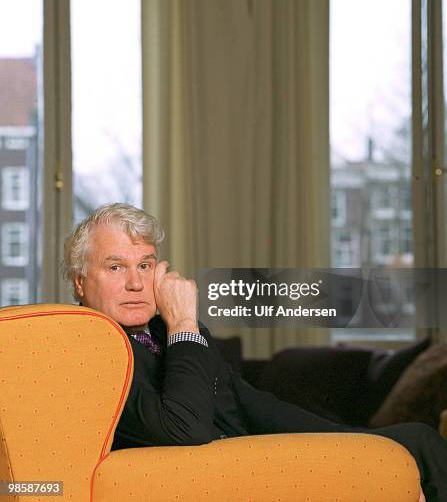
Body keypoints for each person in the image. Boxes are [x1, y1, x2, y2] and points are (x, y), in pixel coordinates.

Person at [62, 203, 447, 501]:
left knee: (415, 438)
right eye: (115, 268)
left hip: (260, 454)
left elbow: (250, 404)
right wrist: (183, 324)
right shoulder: (90, 348)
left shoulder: (170, 331)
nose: (135, 283)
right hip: (228, 474)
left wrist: (355, 445)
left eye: (145, 265)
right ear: (80, 282)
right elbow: (183, 430)